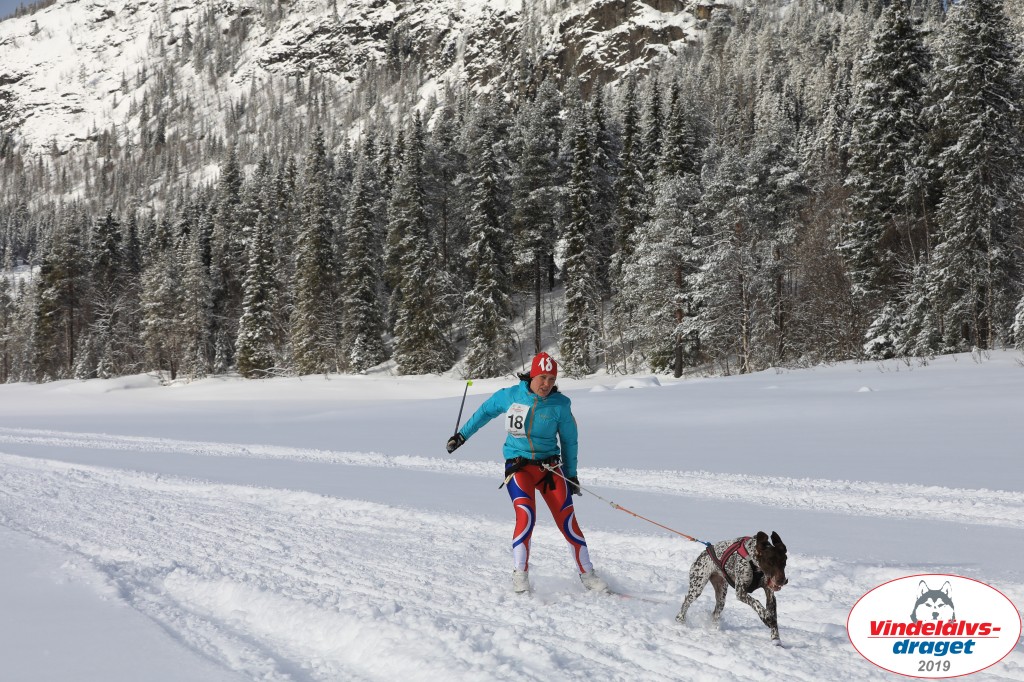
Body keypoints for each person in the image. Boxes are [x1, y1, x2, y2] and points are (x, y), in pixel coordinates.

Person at [445, 351, 607, 594]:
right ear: (531, 375)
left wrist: (571, 474)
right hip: (519, 466)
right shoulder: (511, 395)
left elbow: (570, 441)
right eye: (542, 378)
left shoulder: (560, 405)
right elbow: (485, 412)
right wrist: (462, 436)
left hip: (550, 468)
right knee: (526, 516)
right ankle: (520, 575)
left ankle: (588, 574)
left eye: (551, 379)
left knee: (568, 521)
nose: (546, 384)